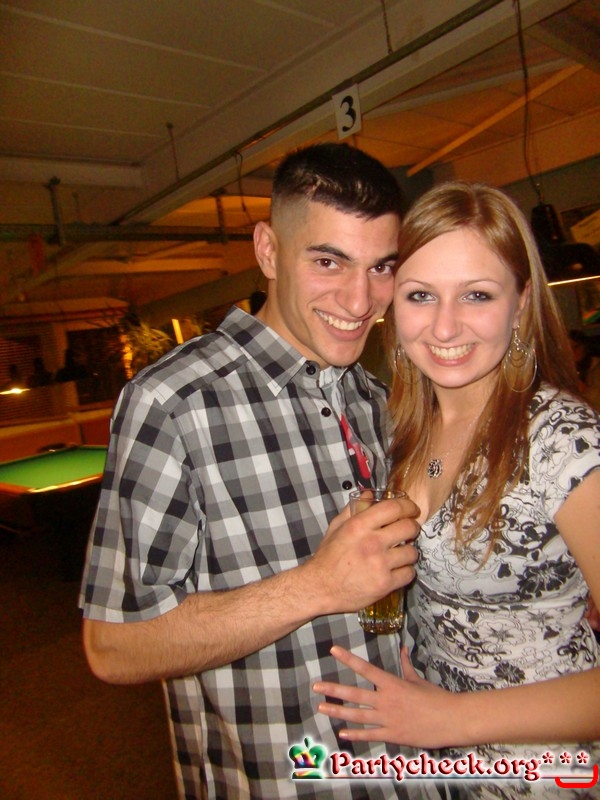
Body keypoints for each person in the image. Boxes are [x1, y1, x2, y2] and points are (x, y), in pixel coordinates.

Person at [79, 143, 444, 800]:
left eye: (380, 267)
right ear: (269, 251)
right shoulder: (174, 403)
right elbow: (113, 646)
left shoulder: (371, 397)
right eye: (328, 261)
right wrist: (316, 586)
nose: (360, 299)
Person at [314, 181, 600, 799]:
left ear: (521, 304)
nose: (445, 326)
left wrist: (448, 718)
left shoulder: (562, 442)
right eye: (421, 295)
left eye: (477, 294)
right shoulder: (402, 431)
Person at [568, 328, 600, 412]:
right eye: (569, 349)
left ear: (585, 346)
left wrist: (585, 390)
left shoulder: (597, 367)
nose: (573, 352)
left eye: (576, 347)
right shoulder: (565, 371)